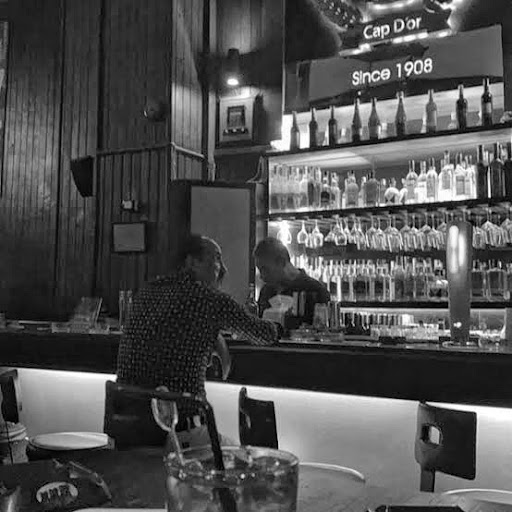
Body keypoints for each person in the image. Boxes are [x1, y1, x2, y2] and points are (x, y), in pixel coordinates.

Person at [115, 234, 279, 449]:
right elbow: (264, 334)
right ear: (192, 262)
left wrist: (213, 336)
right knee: (246, 459)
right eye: (217, 258)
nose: (223, 268)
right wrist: (281, 322)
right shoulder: (210, 300)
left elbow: (169, 329)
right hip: (178, 434)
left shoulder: (147, 292)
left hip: (127, 429)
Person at [254, 237, 330, 325]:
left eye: (265, 270)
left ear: (281, 262)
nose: (262, 276)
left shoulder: (315, 290)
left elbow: (322, 329)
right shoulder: (266, 291)